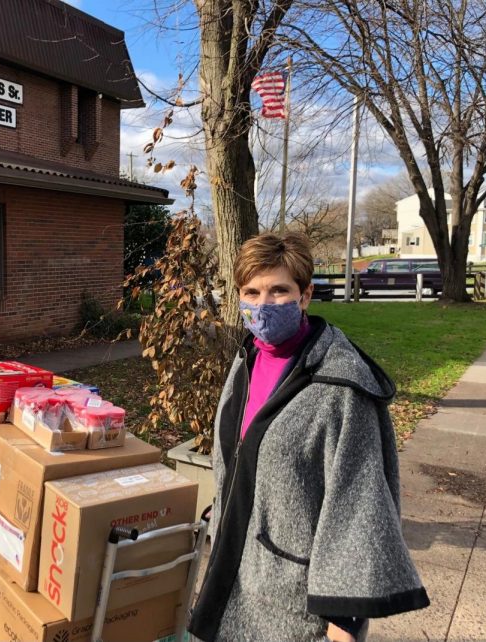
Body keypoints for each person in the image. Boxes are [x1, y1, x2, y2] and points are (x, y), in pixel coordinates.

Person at [188, 232, 429, 642]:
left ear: (305, 295)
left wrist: (345, 620)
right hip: (234, 573)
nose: (263, 304)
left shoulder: (341, 387)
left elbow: (359, 504)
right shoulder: (246, 359)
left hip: (293, 600)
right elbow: (243, 450)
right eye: (252, 291)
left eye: (279, 290)